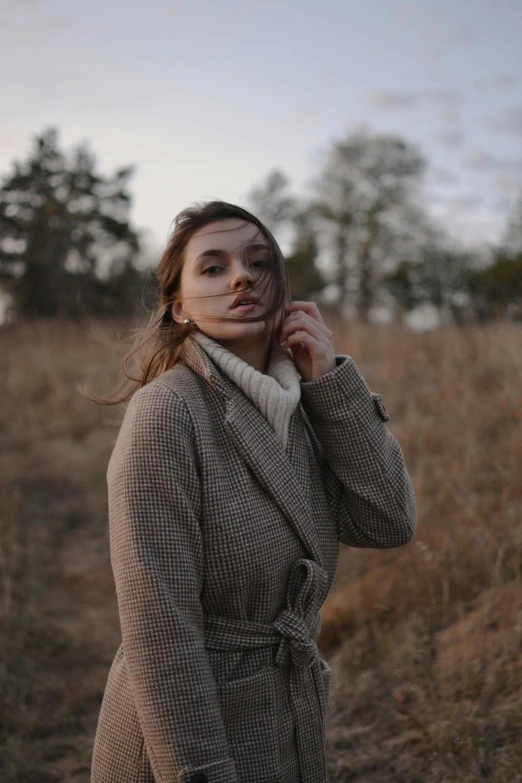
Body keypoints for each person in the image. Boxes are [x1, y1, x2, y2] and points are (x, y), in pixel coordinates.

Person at [90, 200, 417, 783]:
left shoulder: (301, 403)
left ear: (282, 288)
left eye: (258, 262)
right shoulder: (166, 412)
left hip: (282, 713)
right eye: (212, 268)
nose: (241, 276)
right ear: (178, 306)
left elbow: (389, 521)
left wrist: (333, 387)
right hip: (190, 735)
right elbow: (158, 625)